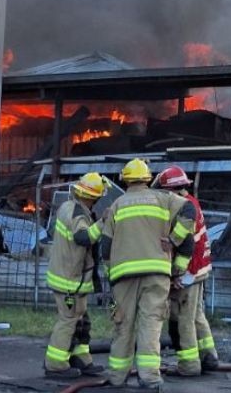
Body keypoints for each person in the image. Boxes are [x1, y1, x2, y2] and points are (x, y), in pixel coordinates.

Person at [98, 159, 187, 390]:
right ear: (148, 178)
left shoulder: (117, 205)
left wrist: (110, 272)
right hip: (156, 274)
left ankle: (117, 377)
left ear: (125, 179)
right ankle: (149, 378)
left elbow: (105, 247)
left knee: (123, 325)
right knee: (151, 325)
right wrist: (174, 239)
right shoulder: (164, 199)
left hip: (124, 276)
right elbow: (190, 210)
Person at [154, 166, 220, 376]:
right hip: (200, 269)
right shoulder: (190, 202)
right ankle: (209, 357)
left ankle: (189, 365)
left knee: (184, 319)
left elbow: (188, 245)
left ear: (170, 190)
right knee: (196, 315)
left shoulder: (182, 208)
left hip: (191, 271)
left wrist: (182, 275)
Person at [43, 172, 107, 379]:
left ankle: (80, 358)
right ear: (91, 196)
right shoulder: (78, 214)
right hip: (69, 280)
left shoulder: (69, 207)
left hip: (70, 278)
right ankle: (55, 364)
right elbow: (83, 237)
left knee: (81, 320)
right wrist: (103, 222)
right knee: (69, 320)